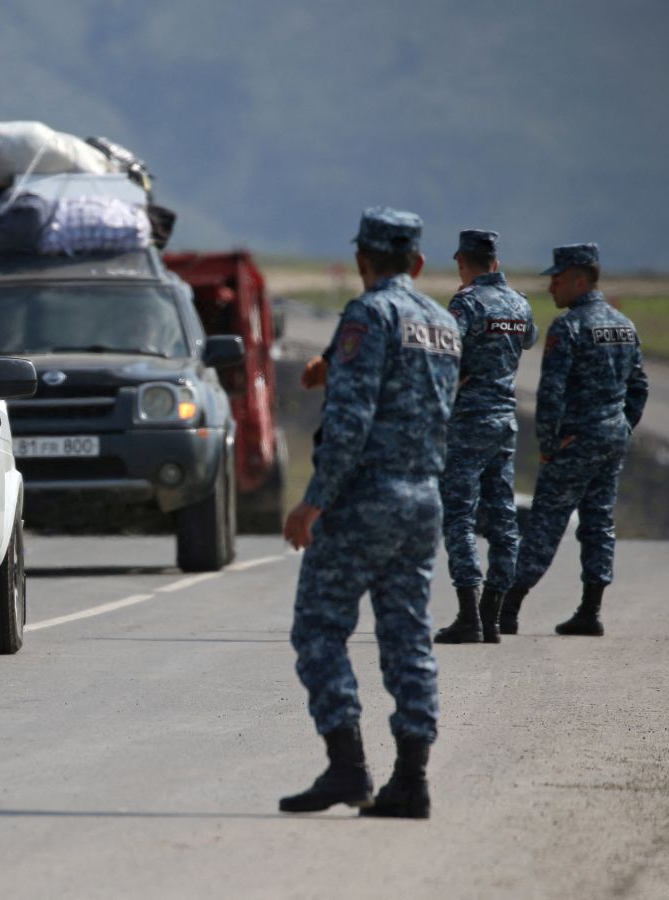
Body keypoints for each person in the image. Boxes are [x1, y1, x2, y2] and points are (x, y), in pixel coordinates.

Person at [279, 207, 460, 820]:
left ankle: (348, 767)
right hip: (422, 498)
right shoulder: (441, 322)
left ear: (362, 260)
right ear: (417, 263)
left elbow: (352, 424)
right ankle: (412, 779)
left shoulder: (367, 313)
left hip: (365, 501)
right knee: (409, 637)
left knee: (319, 628)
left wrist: (313, 502)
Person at [499, 244, 648, 636]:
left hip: (575, 440)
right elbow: (639, 387)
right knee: (599, 521)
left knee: (546, 521)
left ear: (580, 280)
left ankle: (508, 607)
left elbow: (551, 394)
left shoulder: (569, 327)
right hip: (611, 438)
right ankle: (590, 609)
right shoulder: (624, 325)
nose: (552, 288)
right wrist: (621, 425)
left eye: (558, 279)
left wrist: (549, 445)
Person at [433, 230, 537, 644]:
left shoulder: (467, 302)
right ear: (495, 262)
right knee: (502, 518)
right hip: (504, 421)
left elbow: (444, 351)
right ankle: (491, 616)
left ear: (462, 262)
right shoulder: (519, 302)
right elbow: (528, 338)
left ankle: (468, 615)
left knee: (458, 514)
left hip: (469, 420)